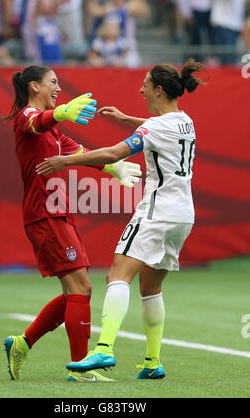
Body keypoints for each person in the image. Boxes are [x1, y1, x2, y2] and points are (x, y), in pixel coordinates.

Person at [36, 58, 206, 380]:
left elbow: (115, 154)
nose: (140, 89)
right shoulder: (186, 120)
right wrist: (126, 117)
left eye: (144, 84)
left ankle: (103, 349)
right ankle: (153, 362)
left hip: (157, 210)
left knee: (117, 275)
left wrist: (65, 161)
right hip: (184, 215)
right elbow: (158, 127)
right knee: (151, 287)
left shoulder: (155, 127)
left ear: (158, 89)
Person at [2, 64, 141, 383]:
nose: (58, 88)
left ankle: (21, 345)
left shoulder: (53, 130)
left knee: (74, 294)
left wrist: (113, 169)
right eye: (53, 83)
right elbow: (37, 123)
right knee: (82, 287)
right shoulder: (28, 117)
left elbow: (79, 153)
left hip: (58, 213)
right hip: (44, 215)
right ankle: (81, 369)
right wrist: (63, 110)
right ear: (34, 87)